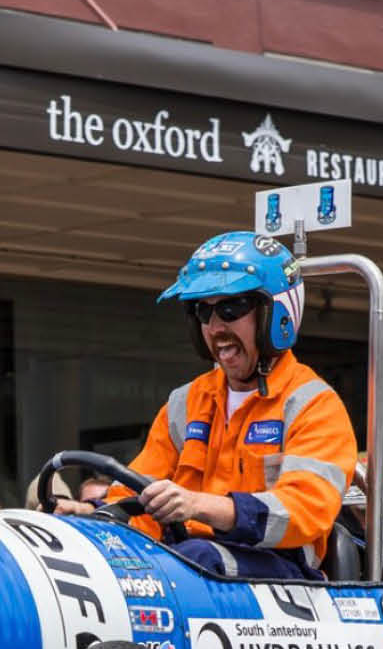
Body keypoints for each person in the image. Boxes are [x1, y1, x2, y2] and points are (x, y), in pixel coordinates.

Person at [85, 232, 357, 581]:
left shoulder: (313, 404)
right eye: (203, 311)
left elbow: (305, 511)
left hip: (280, 572)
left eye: (230, 308)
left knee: (191, 558)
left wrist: (199, 506)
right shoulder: (186, 402)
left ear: (275, 315)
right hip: (190, 565)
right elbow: (137, 490)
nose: (215, 327)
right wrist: (89, 515)